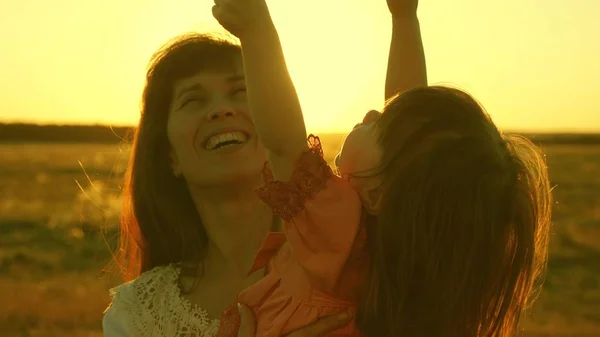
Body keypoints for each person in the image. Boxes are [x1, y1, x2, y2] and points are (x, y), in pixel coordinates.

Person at [214, 0, 552, 337]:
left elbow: (284, 143)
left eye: (382, 125)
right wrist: (404, 18)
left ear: (377, 194)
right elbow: (408, 116)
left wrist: (257, 31)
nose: (373, 114)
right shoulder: (403, 253)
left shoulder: (337, 225)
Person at [101, 0, 422, 335]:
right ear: (171, 157)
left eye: (242, 91)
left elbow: (409, 148)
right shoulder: (137, 313)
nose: (221, 110)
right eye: (194, 100)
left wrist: (404, 19)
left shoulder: (341, 238)